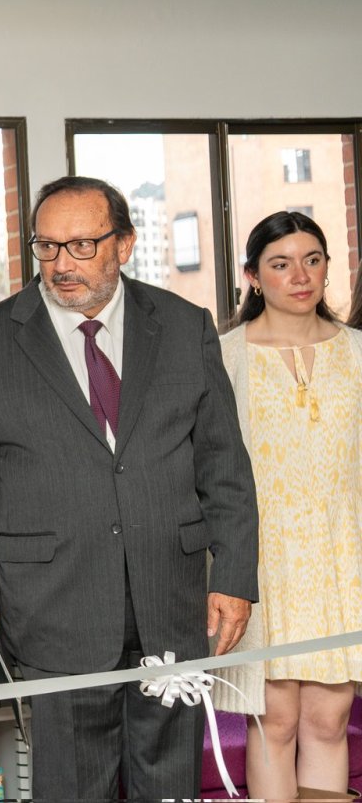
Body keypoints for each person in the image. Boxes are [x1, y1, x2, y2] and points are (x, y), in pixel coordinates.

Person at [0, 175, 259, 800]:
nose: (61, 264)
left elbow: (225, 467)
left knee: (169, 784)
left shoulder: (186, 327)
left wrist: (234, 577)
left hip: (172, 598)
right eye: (47, 247)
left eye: (81, 246)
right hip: (54, 604)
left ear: (125, 244)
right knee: (74, 786)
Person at [208, 211, 362, 801]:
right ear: (253, 275)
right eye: (280, 263)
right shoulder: (224, 357)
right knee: (273, 723)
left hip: (340, 564)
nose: (300, 275)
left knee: (328, 723)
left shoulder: (355, 352)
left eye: (313, 259)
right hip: (260, 567)